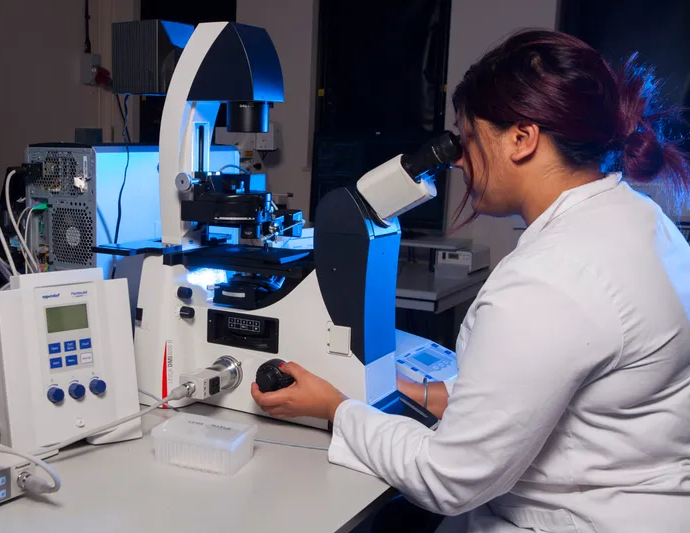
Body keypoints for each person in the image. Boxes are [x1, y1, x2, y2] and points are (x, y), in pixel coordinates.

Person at [252, 30, 690, 533]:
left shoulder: (549, 280)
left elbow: (449, 480)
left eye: (470, 138)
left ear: (522, 138)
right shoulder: (640, 218)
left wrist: (336, 409)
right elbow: (546, 385)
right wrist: (426, 393)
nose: (459, 159)